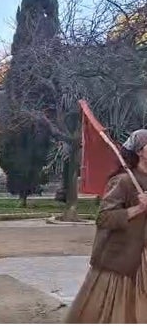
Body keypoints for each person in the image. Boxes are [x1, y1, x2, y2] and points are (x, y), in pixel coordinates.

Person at [65, 129, 147, 324]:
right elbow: (104, 218)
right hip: (123, 262)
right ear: (140, 151)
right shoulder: (123, 181)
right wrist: (138, 208)